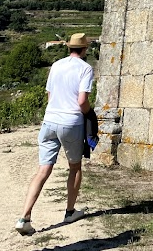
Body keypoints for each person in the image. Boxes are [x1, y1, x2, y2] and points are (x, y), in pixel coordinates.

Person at [15, 33, 94, 236]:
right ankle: (69, 212)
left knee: (43, 171)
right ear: (84, 49)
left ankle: (24, 217)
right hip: (71, 121)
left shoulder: (56, 65)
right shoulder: (85, 68)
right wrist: (90, 115)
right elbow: (82, 101)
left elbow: (50, 95)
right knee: (75, 168)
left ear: (69, 48)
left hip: (49, 120)